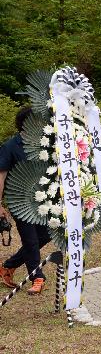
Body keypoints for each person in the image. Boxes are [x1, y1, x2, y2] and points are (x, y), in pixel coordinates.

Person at [0, 107, 51, 295]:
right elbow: (1, 176)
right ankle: (37, 278)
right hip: (19, 202)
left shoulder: (42, 144)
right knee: (30, 240)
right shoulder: (10, 147)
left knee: (45, 236)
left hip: (42, 201)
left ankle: (8, 266)